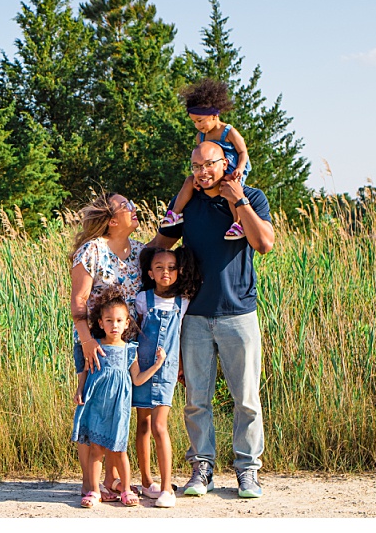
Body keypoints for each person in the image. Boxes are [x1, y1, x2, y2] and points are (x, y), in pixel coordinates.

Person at [150, 141, 274, 499]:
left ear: (226, 163)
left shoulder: (252, 197)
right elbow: (158, 248)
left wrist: (239, 201)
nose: (201, 172)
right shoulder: (190, 204)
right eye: (194, 166)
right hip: (195, 316)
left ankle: (247, 471)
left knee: (246, 398)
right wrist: (177, 205)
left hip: (239, 314)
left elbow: (264, 244)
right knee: (196, 399)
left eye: (208, 165)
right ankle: (201, 468)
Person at [68, 192, 145, 499]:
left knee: (118, 413)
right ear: (113, 220)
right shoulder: (92, 251)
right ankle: (90, 485)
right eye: (128, 206)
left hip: (126, 346)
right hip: (95, 346)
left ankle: (114, 481)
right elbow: (79, 300)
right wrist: (87, 340)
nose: (135, 209)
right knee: (92, 412)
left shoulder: (140, 251)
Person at [73, 289, 165, 508]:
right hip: (97, 404)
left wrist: (157, 364)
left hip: (119, 407)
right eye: (109, 320)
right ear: (101, 323)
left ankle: (125, 489)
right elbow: (84, 369)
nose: (114, 325)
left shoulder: (129, 350)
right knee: (96, 449)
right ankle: (95, 491)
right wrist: (79, 389)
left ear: (127, 323)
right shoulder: (94, 346)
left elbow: (138, 379)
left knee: (119, 450)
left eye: (119, 320)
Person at [129, 246, 202, 509]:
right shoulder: (142, 299)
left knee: (160, 426)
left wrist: (181, 364)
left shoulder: (183, 301)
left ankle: (166, 485)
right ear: (150, 272)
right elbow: (135, 334)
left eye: (171, 267)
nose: (165, 272)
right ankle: (147, 481)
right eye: (159, 267)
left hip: (167, 369)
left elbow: (182, 335)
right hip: (143, 368)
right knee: (143, 426)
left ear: (179, 271)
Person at [160, 78, 252, 240]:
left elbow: (243, 152)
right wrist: (198, 177)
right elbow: (200, 157)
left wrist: (239, 168)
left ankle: (237, 223)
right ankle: (174, 214)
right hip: (210, 171)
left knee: (229, 188)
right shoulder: (201, 136)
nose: (197, 125)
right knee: (189, 181)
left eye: (200, 121)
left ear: (214, 115)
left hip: (233, 169)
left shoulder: (228, 131)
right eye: (194, 122)